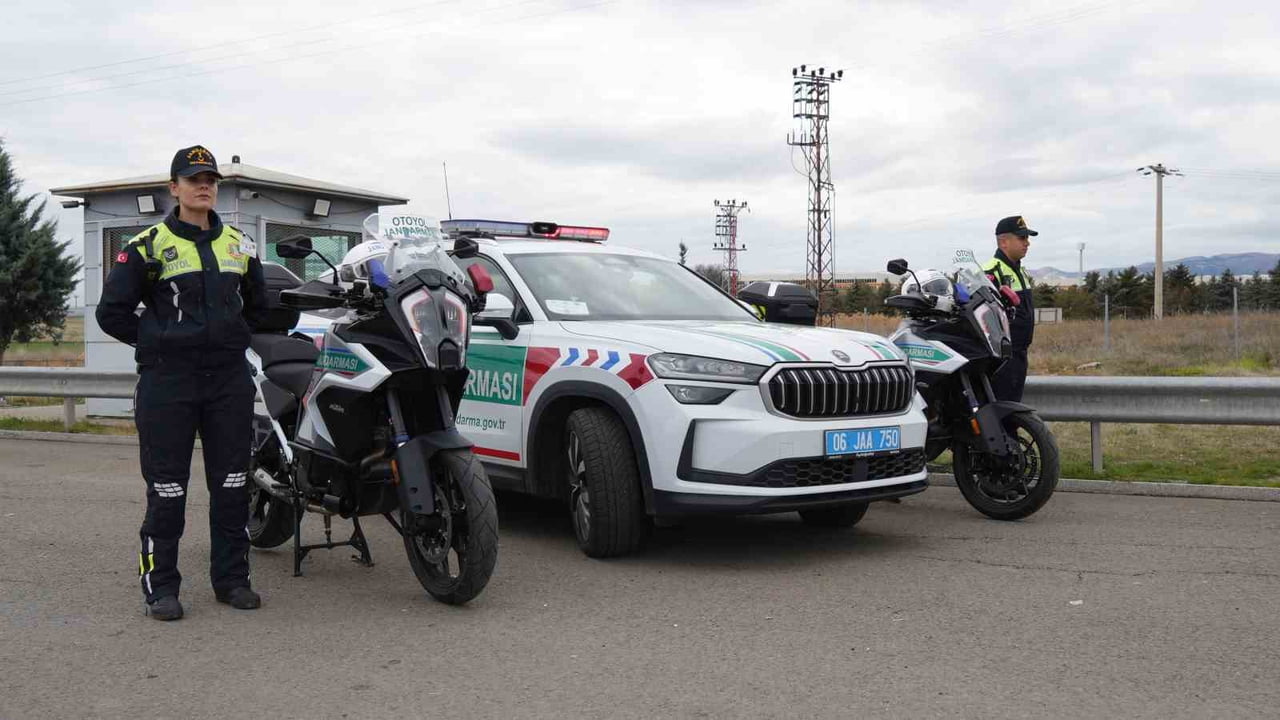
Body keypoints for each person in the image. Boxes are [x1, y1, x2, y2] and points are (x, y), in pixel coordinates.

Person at [97, 145, 268, 620]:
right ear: (174, 188)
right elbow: (110, 314)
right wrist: (158, 342)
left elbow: (256, 307)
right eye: (193, 179)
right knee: (168, 490)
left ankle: (232, 581)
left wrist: (239, 336)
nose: (204, 186)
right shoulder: (146, 245)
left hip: (228, 382)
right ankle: (161, 587)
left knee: (233, 486)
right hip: (167, 383)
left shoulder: (239, 244)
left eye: (210, 178)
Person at [983, 215, 1037, 403]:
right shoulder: (991, 271)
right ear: (1004, 242)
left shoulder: (1020, 270)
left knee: (1013, 407)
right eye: (1022, 238)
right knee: (1003, 410)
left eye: (1027, 238)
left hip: (1020, 352)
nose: (1027, 243)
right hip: (1002, 357)